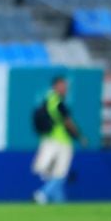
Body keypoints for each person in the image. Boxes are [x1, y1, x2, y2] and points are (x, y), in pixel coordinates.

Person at [32, 76, 86, 205]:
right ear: (55, 86)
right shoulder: (57, 102)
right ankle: (42, 194)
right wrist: (79, 136)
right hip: (60, 142)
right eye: (62, 86)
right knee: (60, 173)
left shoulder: (48, 100)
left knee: (55, 174)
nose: (65, 89)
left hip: (51, 140)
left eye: (66, 86)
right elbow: (68, 121)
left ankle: (59, 203)